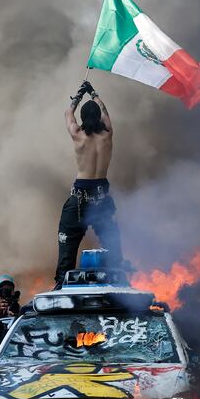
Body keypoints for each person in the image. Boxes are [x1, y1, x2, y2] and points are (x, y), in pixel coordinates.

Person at [57, 80, 123, 287]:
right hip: (101, 198)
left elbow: (68, 113)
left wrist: (79, 95)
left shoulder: (78, 136)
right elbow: (105, 112)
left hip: (79, 200)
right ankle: (120, 279)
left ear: (83, 118)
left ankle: (61, 283)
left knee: (68, 243)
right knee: (112, 242)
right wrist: (94, 93)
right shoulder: (107, 134)